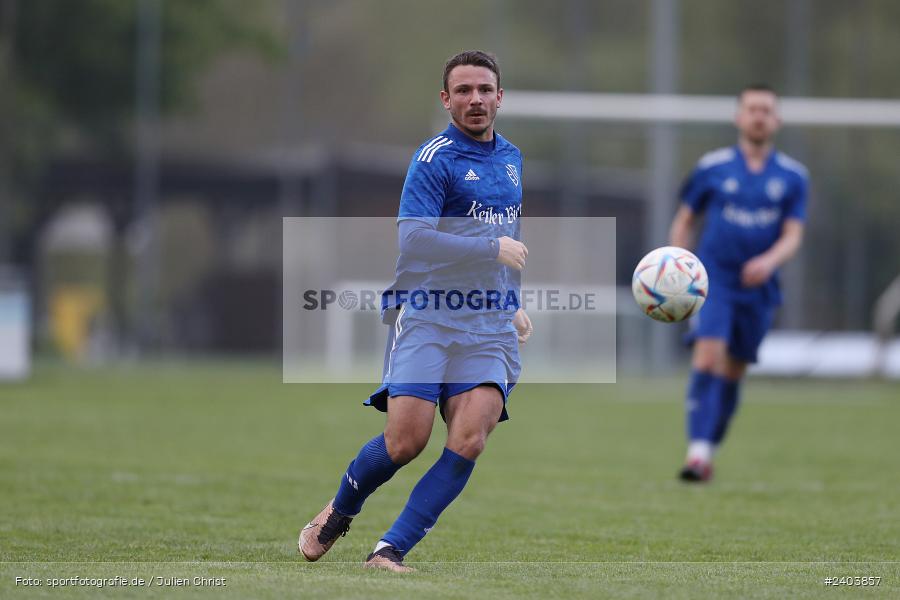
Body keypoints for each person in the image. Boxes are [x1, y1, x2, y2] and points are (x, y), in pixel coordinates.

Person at [298, 50, 532, 572]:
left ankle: (389, 549)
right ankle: (341, 509)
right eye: (464, 90)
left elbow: (508, 236)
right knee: (406, 441)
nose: (476, 99)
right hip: (428, 313)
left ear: (500, 96)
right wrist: (490, 249)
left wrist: (511, 300)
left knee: (470, 437)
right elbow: (415, 239)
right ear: (446, 99)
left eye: (485, 89)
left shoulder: (513, 158)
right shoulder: (433, 160)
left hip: (487, 323)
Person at [669, 83, 809, 482]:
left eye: (766, 110)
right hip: (715, 280)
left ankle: (708, 450)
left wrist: (768, 261)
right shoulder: (712, 167)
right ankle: (696, 454)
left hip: (760, 288)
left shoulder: (794, 176)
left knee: (733, 373)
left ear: (776, 120)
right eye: (752, 109)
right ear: (738, 117)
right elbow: (685, 219)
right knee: (707, 356)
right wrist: (678, 265)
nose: (759, 116)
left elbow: (793, 234)